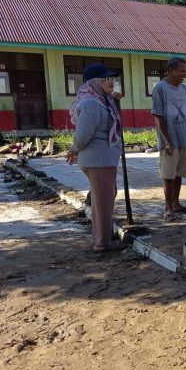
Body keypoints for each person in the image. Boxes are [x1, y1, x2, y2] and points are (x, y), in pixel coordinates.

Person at [66, 63, 124, 252]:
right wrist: (74, 150)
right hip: (97, 160)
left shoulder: (102, 100)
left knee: (106, 197)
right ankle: (101, 242)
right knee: (102, 202)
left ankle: (104, 236)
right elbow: (83, 134)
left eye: (112, 78)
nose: (111, 81)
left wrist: (114, 99)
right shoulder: (90, 103)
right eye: (105, 79)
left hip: (103, 159)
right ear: (93, 83)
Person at [151, 57, 186, 222]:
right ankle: (168, 208)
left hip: (183, 137)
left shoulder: (184, 89)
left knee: (179, 173)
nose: (184, 74)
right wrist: (167, 141)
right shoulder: (160, 88)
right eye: (181, 71)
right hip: (169, 140)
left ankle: (176, 203)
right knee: (168, 175)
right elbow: (158, 116)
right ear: (170, 70)